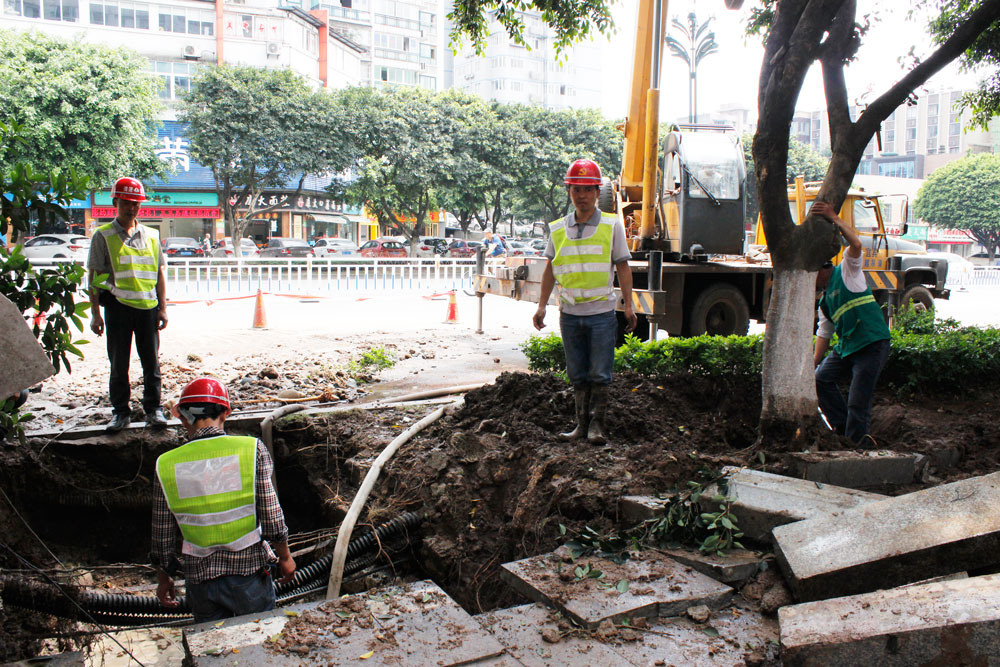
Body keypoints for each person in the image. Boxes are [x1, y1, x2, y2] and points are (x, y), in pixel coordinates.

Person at [152, 377, 296, 623]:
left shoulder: (165, 464)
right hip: (249, 576)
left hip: (199, 583)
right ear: (225, 412)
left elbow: (162, 534)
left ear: (184, 417)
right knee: (259, 646)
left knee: (212, 653)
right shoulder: (251, 450)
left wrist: (165, 576)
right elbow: (272, 517)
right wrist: (284, 556)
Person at [533, 159, 637, 444]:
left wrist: (628, 305)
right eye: (576, 190)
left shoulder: (611, 225)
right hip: (569, 314)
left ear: (596, 191)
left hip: (601, 314)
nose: (582, 196)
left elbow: (624, 268)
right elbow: (550, 269)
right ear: (569, 192)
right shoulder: (557, 229)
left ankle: (597, 427)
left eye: (587, 190)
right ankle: (581, 425)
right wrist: (542, 305)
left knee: (599, 373)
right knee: (578, 373)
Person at [88, 177, 169, 432]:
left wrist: (163, 308)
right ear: (116, 202)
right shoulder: (103, 236)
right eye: (126, 202)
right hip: (118, 309)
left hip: (147, 308)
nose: (131, 208)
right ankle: (120, 412)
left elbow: (159, 274)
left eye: (135, 203)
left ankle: (154, 409)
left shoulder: (153, 236)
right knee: (119, 364)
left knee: (151, 363)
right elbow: (94, 277)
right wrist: (95, 314)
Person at [812, 200, 891, 445]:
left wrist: (833, 217)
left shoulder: (847, 271)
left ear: (820, 269)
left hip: (871, 344)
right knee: (820, 378)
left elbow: (856, 244)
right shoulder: (824, 302)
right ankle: (844, 431)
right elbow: (824, 335)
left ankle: (857, 445)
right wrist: (810, 367)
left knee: (858, 400)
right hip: (847, 348)